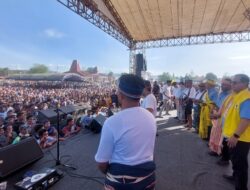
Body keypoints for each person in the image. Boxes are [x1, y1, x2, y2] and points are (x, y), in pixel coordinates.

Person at [95, 74, 156, 190]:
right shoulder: (151, 117)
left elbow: (101, 163)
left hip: (120, 182)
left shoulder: (111, 123)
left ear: (121, 95)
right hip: (148, 179)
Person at [221, 74, 250, 190]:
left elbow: (246, 119)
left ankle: (241, 187)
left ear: (244, 84)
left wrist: (235, 135)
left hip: (240, 138)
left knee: (240, 166)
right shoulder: (237, 95)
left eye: (234, 82)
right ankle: (235, 177)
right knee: (235, 162)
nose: (231, 84)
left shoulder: (246, 98)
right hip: (233, 135)